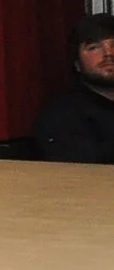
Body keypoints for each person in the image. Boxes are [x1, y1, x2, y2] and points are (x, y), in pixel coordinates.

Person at [28, 15, 114, 163]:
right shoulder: (62, 116)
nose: (108, 53)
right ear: (77, 64)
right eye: (94, 48)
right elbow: (82, 169)